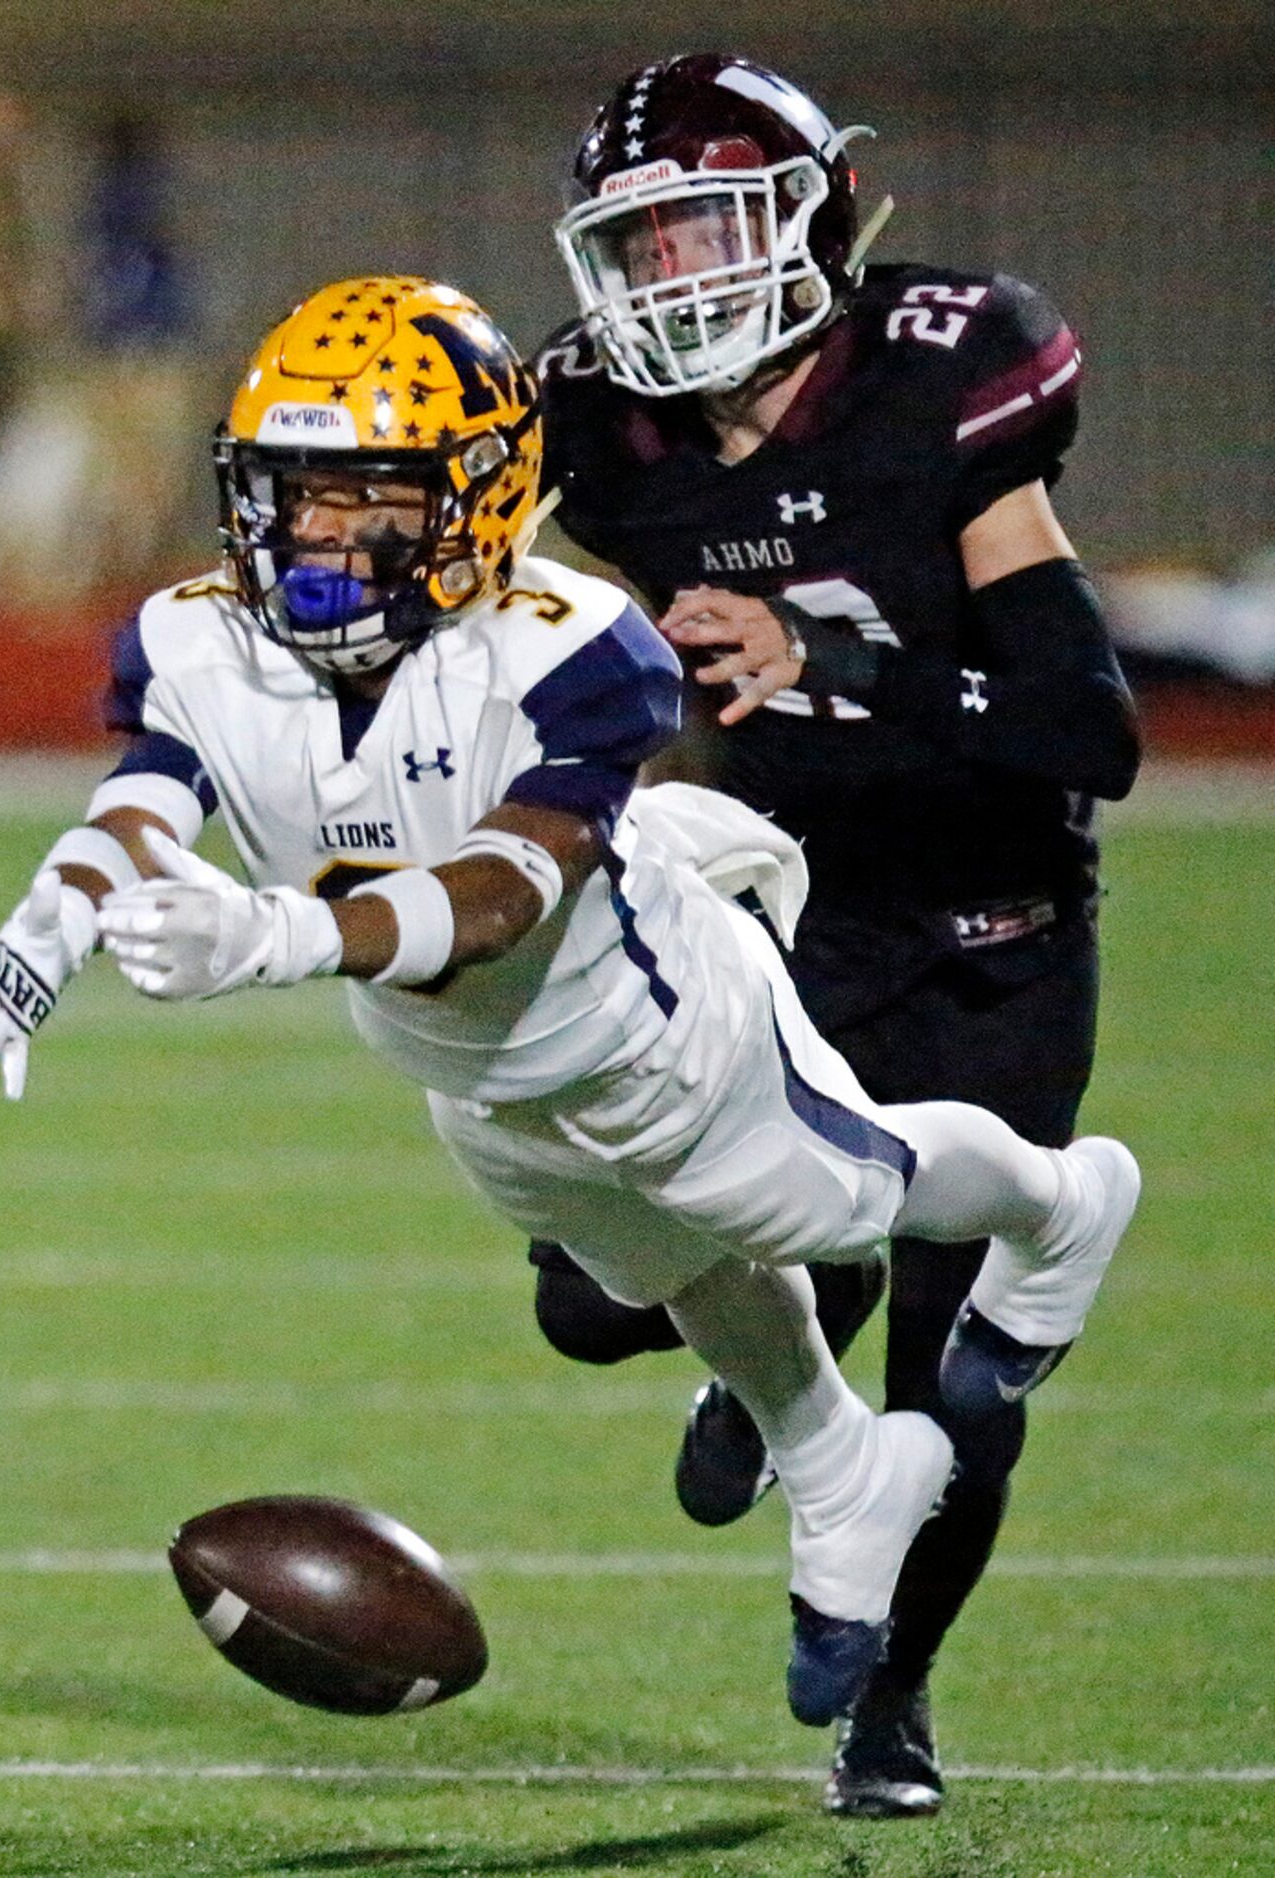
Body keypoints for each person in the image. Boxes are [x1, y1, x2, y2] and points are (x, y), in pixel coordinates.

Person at [0, 274, 1139, 1737]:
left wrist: (275, 934)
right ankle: (840, 1467)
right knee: (665, 1268)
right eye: (294, 493)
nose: (320, 535)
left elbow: (504, 889)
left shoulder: (568, 641)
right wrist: (52, 916)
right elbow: (145, 797)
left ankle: (1061, 1202)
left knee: (835, 1205)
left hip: (647, 1021)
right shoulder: (205, 636)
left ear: (475, 497)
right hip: (470, 1073)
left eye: (369, 498)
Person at [532, 54, 1143, 1815]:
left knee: (960, 1362)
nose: (676, 280)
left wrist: (843, 665)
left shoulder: (939, 374)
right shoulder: (602, 431)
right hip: (778, 918)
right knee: (590, 1296)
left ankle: (898, 1694)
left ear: (810, 215)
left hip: (994, 932)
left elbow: (1086, 727)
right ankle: (775, 1352)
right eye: (637, 248)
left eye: (706, 229)